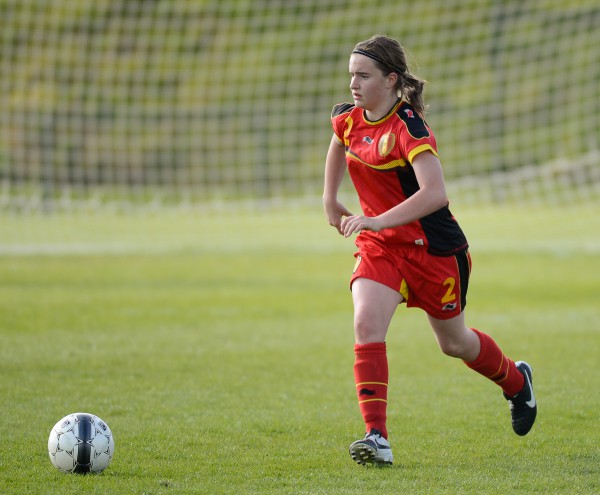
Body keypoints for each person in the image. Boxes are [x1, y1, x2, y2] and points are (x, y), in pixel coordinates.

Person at [323, 34, 537, 466]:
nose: (353, 84)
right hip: (381, 246)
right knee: (365, 322)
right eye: (351, 75)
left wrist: (378, 217)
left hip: (432, 249)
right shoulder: (350, 119)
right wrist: (329, 198)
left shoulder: (409, 128)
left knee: (455, 343)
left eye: (363, 76)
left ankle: (517, 381)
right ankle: (376, 436)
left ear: (391, 79)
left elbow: (435, 192)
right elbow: (339, 143)